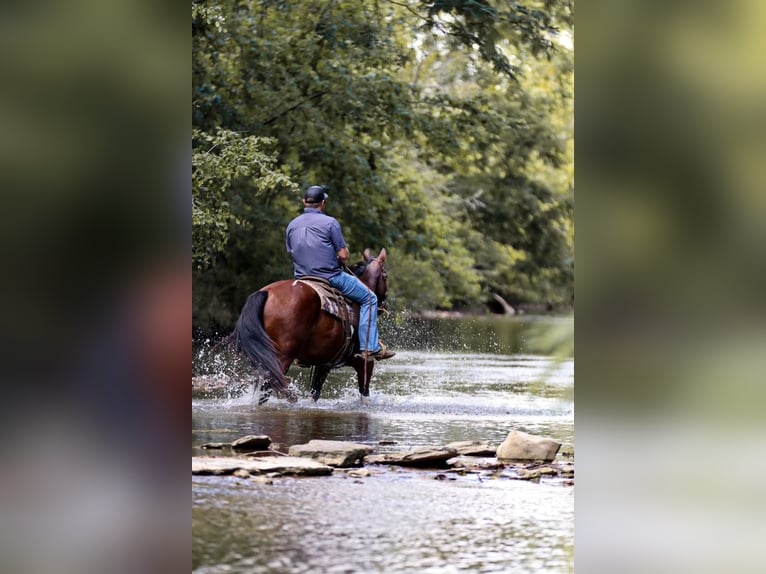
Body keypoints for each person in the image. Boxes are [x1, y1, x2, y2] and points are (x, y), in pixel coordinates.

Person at [285, 185, 395, 360]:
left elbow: (293, 251)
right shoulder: (330, 223)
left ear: (304, 202)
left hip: (302, 279)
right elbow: (343, 255)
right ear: (323, 203)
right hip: (330, 277)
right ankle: (370, 347)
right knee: (370, 298)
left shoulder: (292, 225)